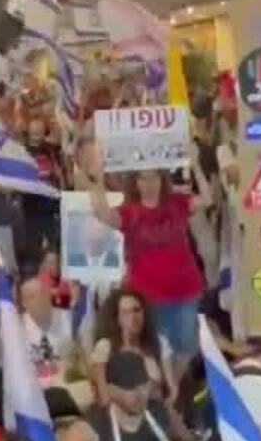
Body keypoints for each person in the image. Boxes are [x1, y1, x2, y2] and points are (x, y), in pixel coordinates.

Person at [83, 150, 212, 363]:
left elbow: (207, 199)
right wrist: (97, 180)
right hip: (148, 296)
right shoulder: (129, 212)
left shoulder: (177, 202)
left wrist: (196, 164)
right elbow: (103, 214)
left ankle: (178, 384)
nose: (150, 183)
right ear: (136, 183)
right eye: (143, 178)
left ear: (162, 180)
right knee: (155, 351)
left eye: (154, 177)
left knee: (187, 348)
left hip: (184, 290)